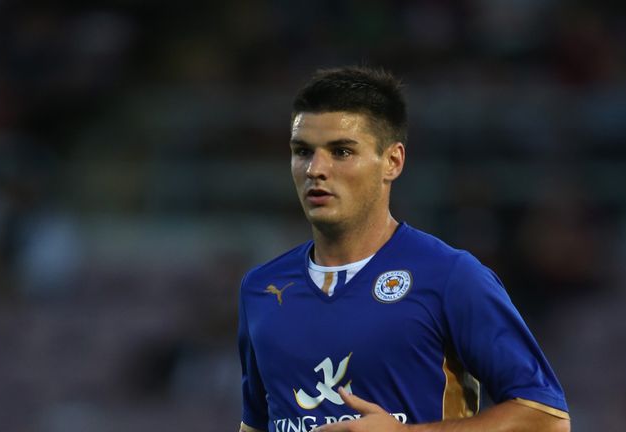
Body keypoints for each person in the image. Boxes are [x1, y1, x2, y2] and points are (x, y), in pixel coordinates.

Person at [237, 66, 570, 432]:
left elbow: (546, 418)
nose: (316, 169)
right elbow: (256, 423)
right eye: (303, 151)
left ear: (392, 161)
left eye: (342, 151)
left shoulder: (450, 277)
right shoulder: (262, 288)